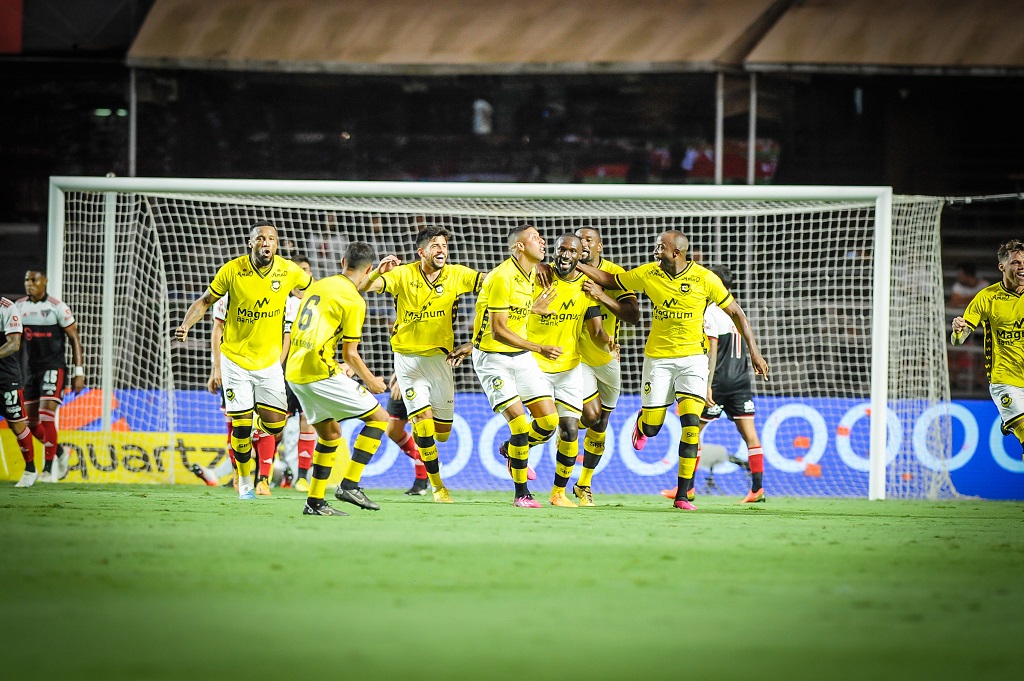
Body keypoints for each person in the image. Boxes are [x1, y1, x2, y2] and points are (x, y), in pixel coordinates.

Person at [577, 231, 769, 510]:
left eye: (660, 248)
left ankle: (682, 495)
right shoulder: (648, 273)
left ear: (676, 253)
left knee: (691, 427)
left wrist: (755, 351)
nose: (655, 252)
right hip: (658, 360)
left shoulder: (705, 278)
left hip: (693, 360)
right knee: (654, 428)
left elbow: (737, 314)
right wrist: (573, 265)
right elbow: (610, 280)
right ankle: (644, 424)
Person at [175, 220, 312, 500]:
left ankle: (254, 447)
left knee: (275, 424)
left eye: (272, 239)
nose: (266, 243)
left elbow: (315, 290)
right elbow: (204, 301)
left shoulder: (288, 270)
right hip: (235, 360)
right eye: (261, 238)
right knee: (240, 424)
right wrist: (186, 325)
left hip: (270, 362)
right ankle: (244, 479)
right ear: (251, 243)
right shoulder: (232, 270)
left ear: (277, 244)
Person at [362, 225, 483, 503]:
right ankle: (438, 486)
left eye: (444, 246)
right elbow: (363, 286)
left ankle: (428, 463)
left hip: (440, 361)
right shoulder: (403, 274)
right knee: (422, 422)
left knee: (442, 434)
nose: (441, 250)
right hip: (408, 360)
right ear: (421, 252)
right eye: (435, 246)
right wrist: (378, 271)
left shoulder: (458, 274)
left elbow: (490, 282)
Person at [286, 241, 391, 516]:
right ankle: (350, 484)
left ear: (343, 263)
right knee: (380, 418)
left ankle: (315, 502)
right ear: (368, 269)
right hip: (318, 370)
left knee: (330, 434)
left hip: (295, 370)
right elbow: (352, 354)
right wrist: (371, 381)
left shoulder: (320, 285)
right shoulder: (354, 300)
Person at [470, 224, 561, 507]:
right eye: (535, 237)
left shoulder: (531, 272)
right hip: (494, 358)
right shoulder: (501, 277)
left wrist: (533, 308)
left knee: (548, 423)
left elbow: (512, 310)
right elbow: (498, 330)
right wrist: (539, 347)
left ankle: (511, 450)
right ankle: (521, 493)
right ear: (519, 246)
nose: (542, 240)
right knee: (521, 425)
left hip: (519, 357)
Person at [659, 266, 766, 504]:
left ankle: (688, 488)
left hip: (718, 383)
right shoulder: (737, 310)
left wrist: (707, 385)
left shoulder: (711, 312)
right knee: (750, 435)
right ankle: (757, 488)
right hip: (741, 381)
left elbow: (713, 349)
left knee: (693, 432)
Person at [527, 233, 615, 507]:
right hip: (535, 364)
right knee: (547, 425)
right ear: (554, 252)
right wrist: (533, 309)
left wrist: (607, 341)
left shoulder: (586, 289)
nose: (565, 255)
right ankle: (515, 449)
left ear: (580, 258)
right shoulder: (537, 277)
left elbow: (596, 329)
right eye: (561, 250)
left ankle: (558, 494)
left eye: (572, 252)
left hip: (569, 367)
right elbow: (514, 314)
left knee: (570, 430)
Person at [574, 227, 640, 506]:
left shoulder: (615, 274)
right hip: (576, 358)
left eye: (589, 240)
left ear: (600, 246)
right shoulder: (566, 272)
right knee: (589, 416)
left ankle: (584, 484)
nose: (584, 244)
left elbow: (633, 316)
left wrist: (602, 296)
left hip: (608, 357)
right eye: (580, 240)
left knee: (600, 423)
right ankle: (557, 425)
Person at [951, 239, 1024, 457]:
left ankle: (1009, 420)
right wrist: (958, 330)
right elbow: (959, 340)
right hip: (1005, 381)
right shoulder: (987, 297)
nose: (1022, 267)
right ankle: (1014, 419)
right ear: (1002, 267)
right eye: (1016, 263)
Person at [17, 268, 85, 483]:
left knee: (47, 417)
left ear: (44, 281)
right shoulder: (19, 307)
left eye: (34, 279)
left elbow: (74, 338)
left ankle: (47, 471)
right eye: (27, 279)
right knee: (29, 423)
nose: (29, 283)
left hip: (54, 367)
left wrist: (79, 372)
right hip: (31, 370)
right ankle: (60, 453)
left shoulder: (57, 307)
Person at [1, 297, 37, 487]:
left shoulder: (7, 308)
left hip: (6, 378)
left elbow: (14, 344)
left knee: (16, 425)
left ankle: (30, 469)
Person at [384, 373, 431, 496]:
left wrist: (405, 378)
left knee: (418, 428)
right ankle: (430, 462)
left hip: (421, 380)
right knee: (392, 431)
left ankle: (420, 482)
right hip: (403, 377)